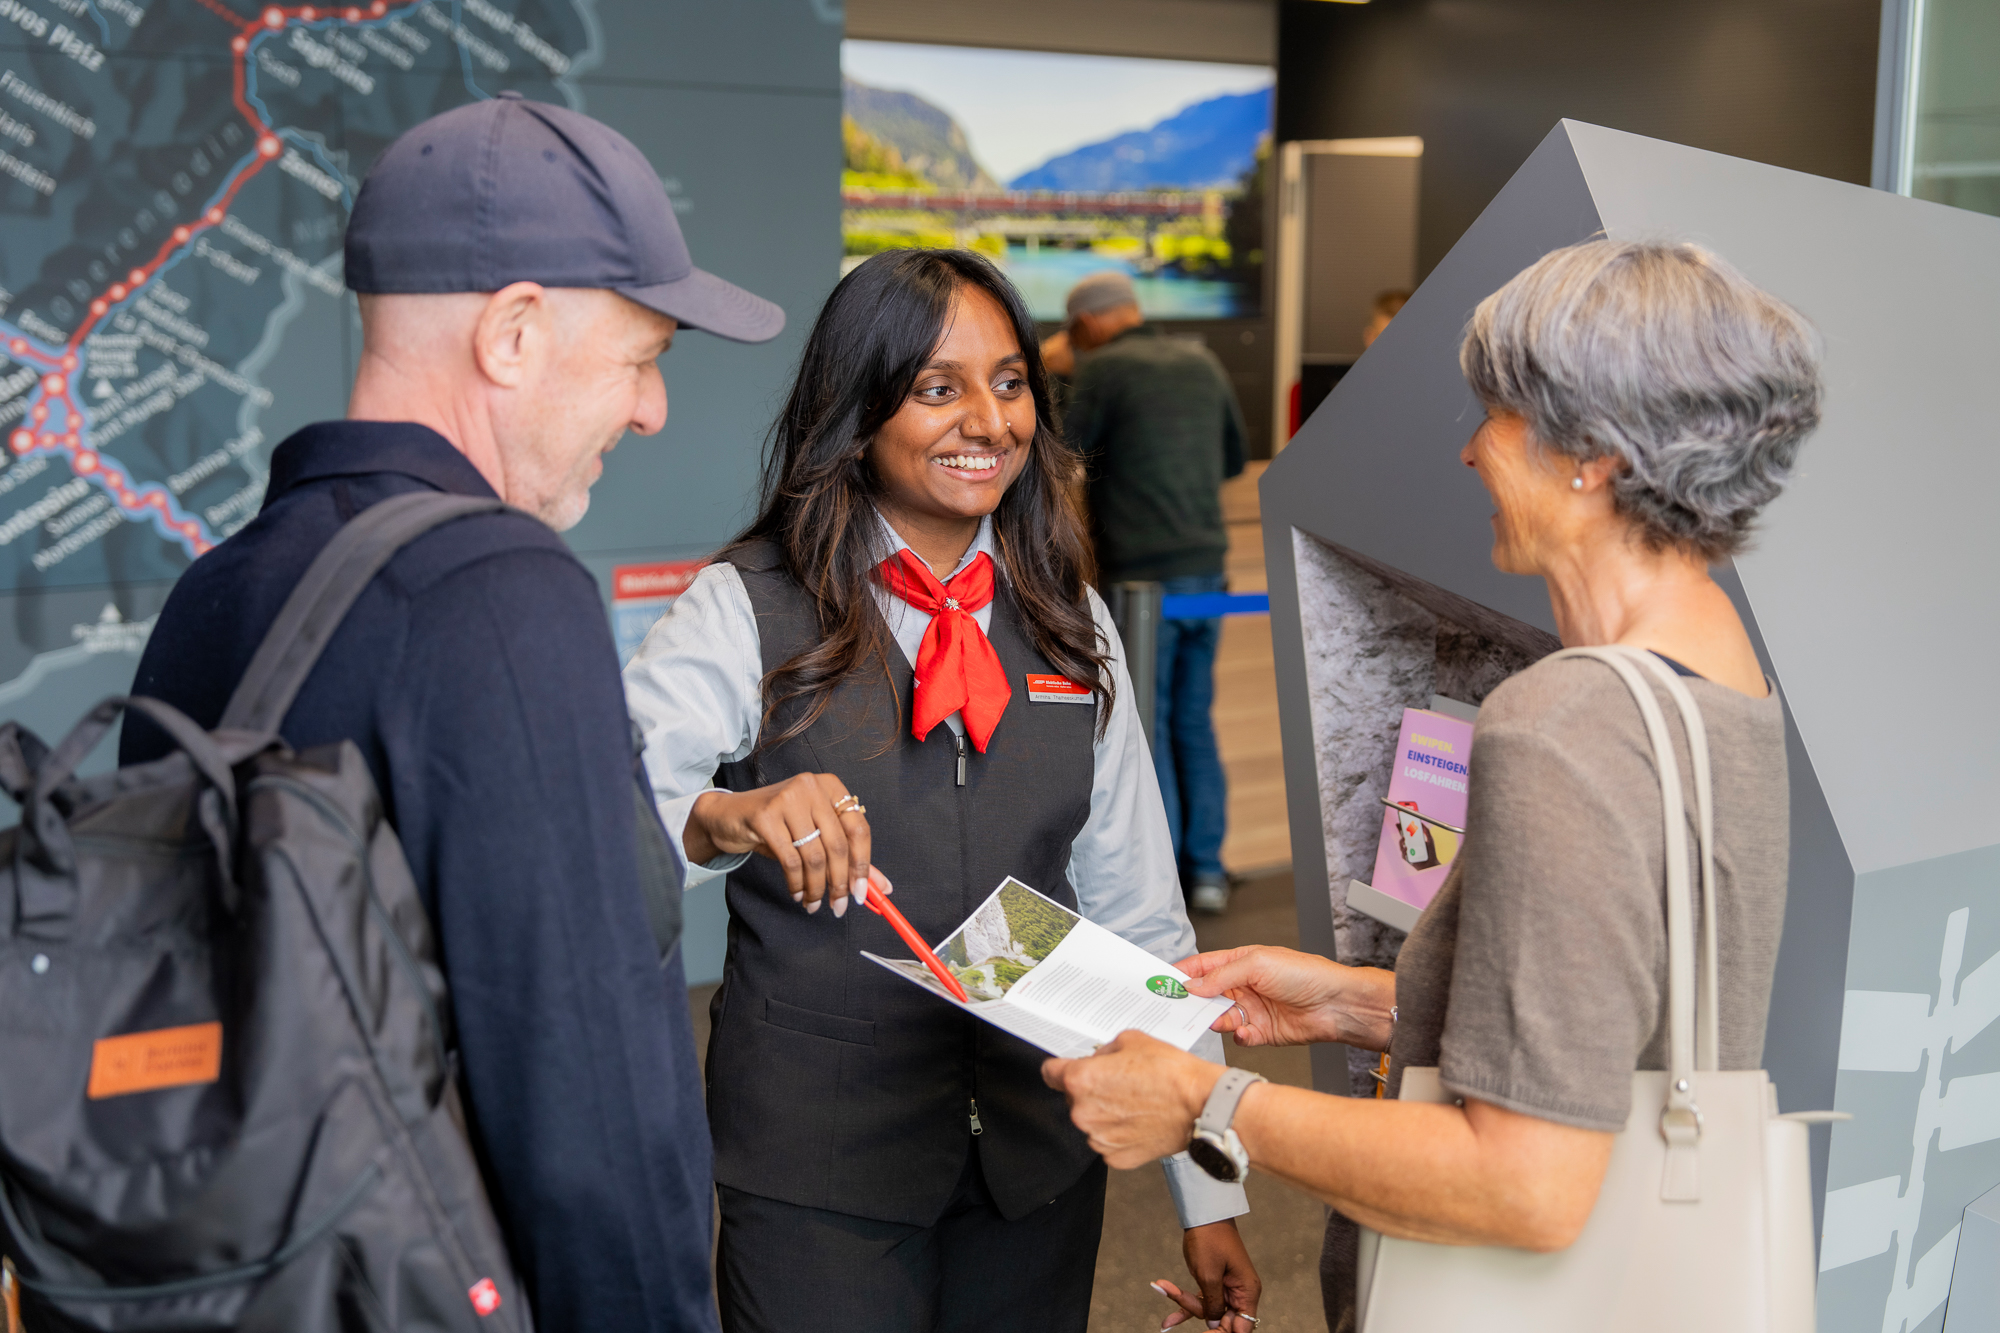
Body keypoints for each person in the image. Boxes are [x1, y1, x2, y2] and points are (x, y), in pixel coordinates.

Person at [1039, 239, 1823, 1331]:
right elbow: (1600, 1029)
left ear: (1589, 450)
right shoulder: (1716, 679)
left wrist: (1203, 1100)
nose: (1468, 454)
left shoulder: (1565, 722)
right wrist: (1360, 1002)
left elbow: (1523, 1184)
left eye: (1495, 415)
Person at [121, 94, 784, 1332]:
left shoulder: (216, 595)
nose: (651, 411)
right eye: (641, 358)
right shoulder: (497, 591)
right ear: (515, 333)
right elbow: (585, 1090)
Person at [623, 248, 1259, 1333]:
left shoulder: (1070, 617)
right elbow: (614, 810)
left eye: (1009, 382)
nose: (988, 420)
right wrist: (726, 815)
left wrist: (1208, 1183)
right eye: (935, 387)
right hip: (816, 1163)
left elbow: (1140, 916)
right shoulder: (746, 607)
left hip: (1035, 1154)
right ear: (854, 409)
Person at [1054, 270, 1248, 915]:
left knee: (1146, 728)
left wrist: (1051, 368)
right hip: (1209, 568)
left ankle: (1159, 878)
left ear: (1084, 325)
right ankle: (1210, 871)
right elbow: (1231, 462)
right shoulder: (1202, 362)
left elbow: (1058, 454)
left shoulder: (1105, 368)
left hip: (1143, 576)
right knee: (1193, 717)